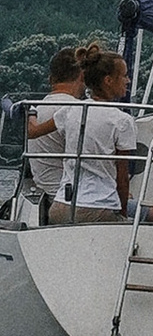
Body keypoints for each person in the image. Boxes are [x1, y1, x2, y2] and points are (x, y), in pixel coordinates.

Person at [59, 45, 141, 219]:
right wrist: (123, 213)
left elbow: (38, 131)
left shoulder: (69, 111)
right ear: (108, 80)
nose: (128, 80)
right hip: (97, 207)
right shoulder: (122, 121)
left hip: (61, 205)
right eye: (124, 76)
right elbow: (122, 179)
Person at [22, 50, 87, 216]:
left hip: (46, 194)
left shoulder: (38, 109)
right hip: (73, 198)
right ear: (82, 76)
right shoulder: (77, 109)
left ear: (51, 79)